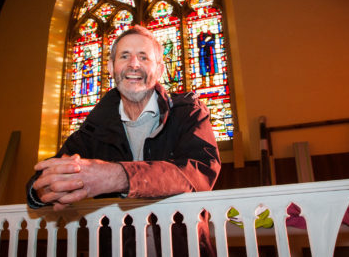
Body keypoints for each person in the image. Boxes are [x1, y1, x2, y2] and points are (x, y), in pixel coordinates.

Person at [26, 25, 221, 256]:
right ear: (110, 68)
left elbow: (198, 172)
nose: (133, 65)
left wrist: (116, 176)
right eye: (125, 56)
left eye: (143, 57)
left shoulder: (187, 112)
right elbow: (39, 183)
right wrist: (48, 188)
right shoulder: (93, 129)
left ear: (159, 69)